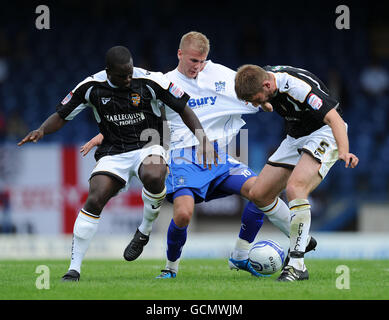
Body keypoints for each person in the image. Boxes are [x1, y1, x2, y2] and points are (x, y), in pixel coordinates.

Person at [81, 32, 317, 279]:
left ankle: (247, 253)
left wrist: (264, 102)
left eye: (202, 61)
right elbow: (135, 116)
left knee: (260, 191)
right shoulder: (164, 82)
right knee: (183, 214)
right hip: (182, 159)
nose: (198, 66)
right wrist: (102, 136)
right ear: (180, 54)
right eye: (193, 60)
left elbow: (252, 90)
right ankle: (170, 269)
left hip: (218, 158)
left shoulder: (221, 76)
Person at [17, 45, 217, 282]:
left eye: (131, 72)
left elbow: (183, 108)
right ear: (109, 72)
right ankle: (74, 268)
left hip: (149, 143)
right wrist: (41, 130)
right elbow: (62, 115)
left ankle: (144, 230)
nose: (129, 78)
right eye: (123, 75)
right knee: (95, 197)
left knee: (154, 175)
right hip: (114, 151)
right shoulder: (91, 87)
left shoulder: (150, 81)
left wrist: (203, 139)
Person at [234, 64, 359, 281]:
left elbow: (335, 119)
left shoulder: (298, 88)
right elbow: (264, 96)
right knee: (258, 194)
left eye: (255, 98)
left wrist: (345, 151)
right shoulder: (260, 78)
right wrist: (263, 102)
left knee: (295, 188)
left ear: (267, 84)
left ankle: (297, 264)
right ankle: (303, 238)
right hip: (296, 135)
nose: (254, 104)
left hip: (325, 132)